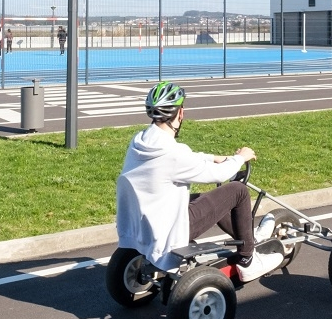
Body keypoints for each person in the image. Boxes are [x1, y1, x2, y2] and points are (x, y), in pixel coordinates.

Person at [115, 81, 282, 282]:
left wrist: (213, 156)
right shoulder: (173, 154)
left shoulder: (141, 141)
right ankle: (248, 260)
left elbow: (185, 157)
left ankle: (249, 238)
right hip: (169, 229)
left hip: (143, 222)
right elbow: (218, 174)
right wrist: (240, 158)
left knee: (206, 199)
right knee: (237, 191)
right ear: (180, 113)